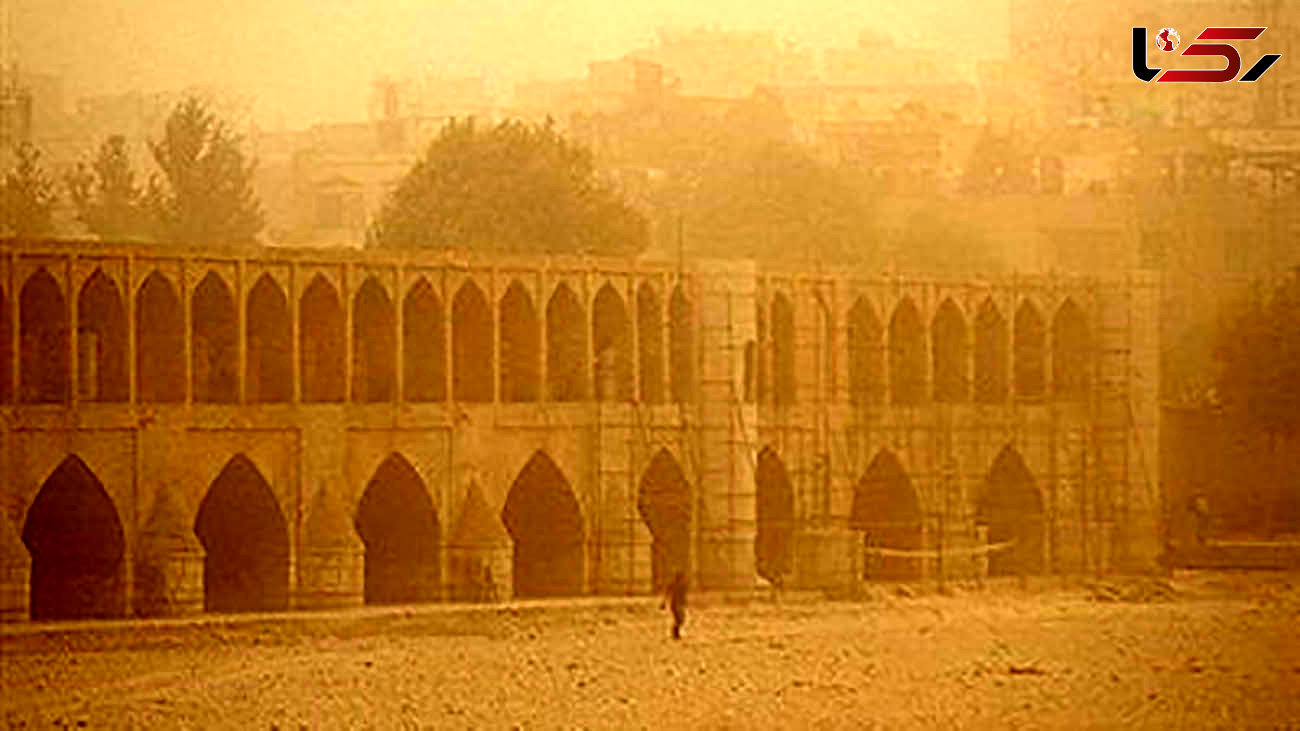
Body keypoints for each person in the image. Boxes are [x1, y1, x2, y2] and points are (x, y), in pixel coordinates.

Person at [659, 570, 688, 640]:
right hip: (675, 605)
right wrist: (663, 602)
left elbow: (682, 596)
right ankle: (675, 634)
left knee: (681, 619)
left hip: (678, 605)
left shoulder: (681, 585)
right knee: (680, 619)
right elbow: (668, 594)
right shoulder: (675, 585)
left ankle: (675, 633)